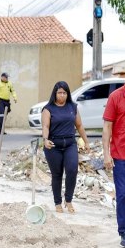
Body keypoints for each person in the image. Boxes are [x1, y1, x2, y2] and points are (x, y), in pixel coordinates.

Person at [41, 81, 90, 214]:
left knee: (72, 170)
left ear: (67, 94)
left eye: (64, 92)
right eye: (59, 93)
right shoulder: (48, 108)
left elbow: (79, 126)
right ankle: (57, 202)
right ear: (55, 93)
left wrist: (86, 142)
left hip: (70, 144)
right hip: (53, 146)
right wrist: (45, 140)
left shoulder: (72, 107)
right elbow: (45, 126)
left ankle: (68, 200)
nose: (62, 95)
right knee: (57, 174)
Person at [102, 64, 125, 248]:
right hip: (121, 156)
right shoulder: (116, 97)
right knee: (122, 195)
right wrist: (106, 154)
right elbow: (107, 127)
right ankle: (124, 231)